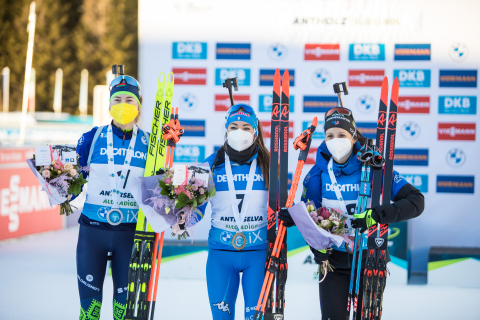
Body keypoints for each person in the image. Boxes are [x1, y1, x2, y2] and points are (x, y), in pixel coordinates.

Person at [279, 107, 425, 320]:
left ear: (353, 135)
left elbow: (416, 202)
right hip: (333, 264)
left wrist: (376, 215)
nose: (335, 140)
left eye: (341, 135)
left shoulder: (374, 167)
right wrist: (313, 245)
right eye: (330, 135)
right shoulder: (317, 173)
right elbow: (310, 219)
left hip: (369, 260)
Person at [74, 74, 149, 320]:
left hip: (131, 235)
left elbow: (158, 193)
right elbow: (75, 180)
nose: (123, 105)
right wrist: (57, 184)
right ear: (109, 106)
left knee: (124, 314)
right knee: (89, 313)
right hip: (92, 233)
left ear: (139, 105)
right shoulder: (91, 138)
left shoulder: (151, 144)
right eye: (117, 100)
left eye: (130, 99)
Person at [193, 104, 270, 320]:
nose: (240, 132)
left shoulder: (269, 164)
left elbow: (281, 209)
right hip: (221, 254)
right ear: (226, 130)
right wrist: (178, 215)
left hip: (259, 254)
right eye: (234, 127)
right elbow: (194, 210)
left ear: (255, 132)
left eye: (246, 127)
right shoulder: (209, 164)